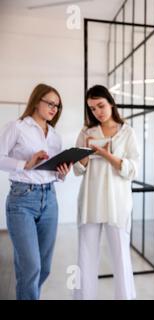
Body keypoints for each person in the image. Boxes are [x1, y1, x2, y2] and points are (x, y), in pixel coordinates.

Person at [0, 83, 71, 299]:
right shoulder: (17, 127)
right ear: (36, 101)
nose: (54, 109)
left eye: (57, 106)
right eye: (50, 103)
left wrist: (62, 172)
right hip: (22, 200)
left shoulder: (55, 136)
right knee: (30, 267)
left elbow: (53, 172)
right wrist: (26, 164)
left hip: (49, 199)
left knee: (44, 267)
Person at [72, 85, 139, 300]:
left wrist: (105, 154)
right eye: (92, 109)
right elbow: (77, 168)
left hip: (116, 203)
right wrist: (86, 153)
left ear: (111, 103)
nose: (97, 112)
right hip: (91, 201)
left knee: (121, 258)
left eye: (100, 106)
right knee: (85, 257)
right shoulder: (86, 133)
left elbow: (132, 169)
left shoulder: (127, 132)